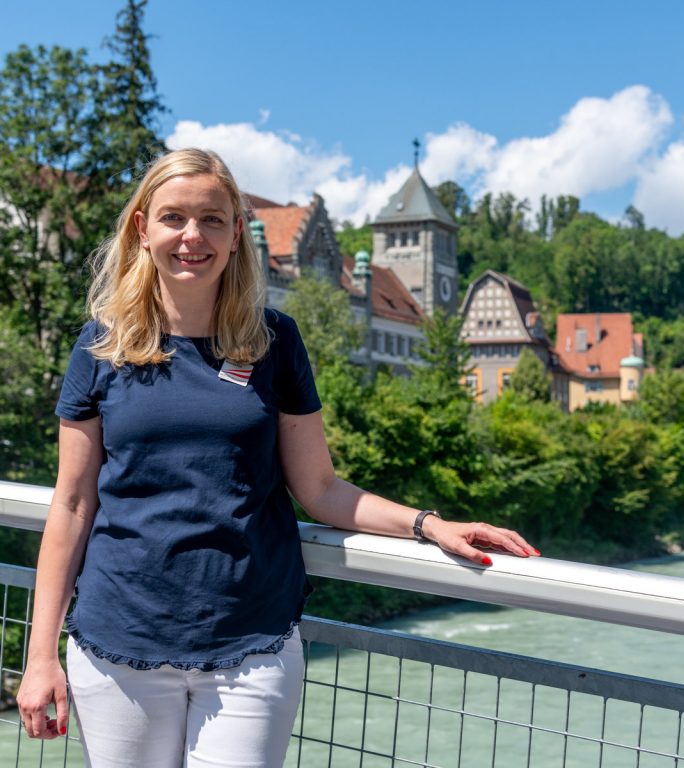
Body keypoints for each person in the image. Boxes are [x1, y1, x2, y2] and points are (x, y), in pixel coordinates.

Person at [16, 148, 539, 767]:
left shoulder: (274, 340)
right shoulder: (100, 345)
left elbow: (319, 489)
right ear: (143, 230)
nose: (192, 236)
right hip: (119, 640)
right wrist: (40, 655)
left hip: (251, 640)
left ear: (237, 234)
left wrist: (428, 525)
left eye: (212, 219)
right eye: (174, 218)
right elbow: (73, 505)